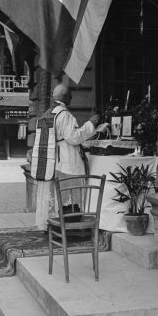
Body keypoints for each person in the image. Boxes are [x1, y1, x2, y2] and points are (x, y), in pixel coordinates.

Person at [34, 83, 106, 230]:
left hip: (50, 160)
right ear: (66, 97)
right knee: (69, 195)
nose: (72, 98)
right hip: (65, 162)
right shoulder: (64, 114)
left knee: (55, 194)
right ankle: (69, 226)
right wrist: (91, 124)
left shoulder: (47, 114)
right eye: (71, 95)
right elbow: (73, 137)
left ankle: (49, 224)